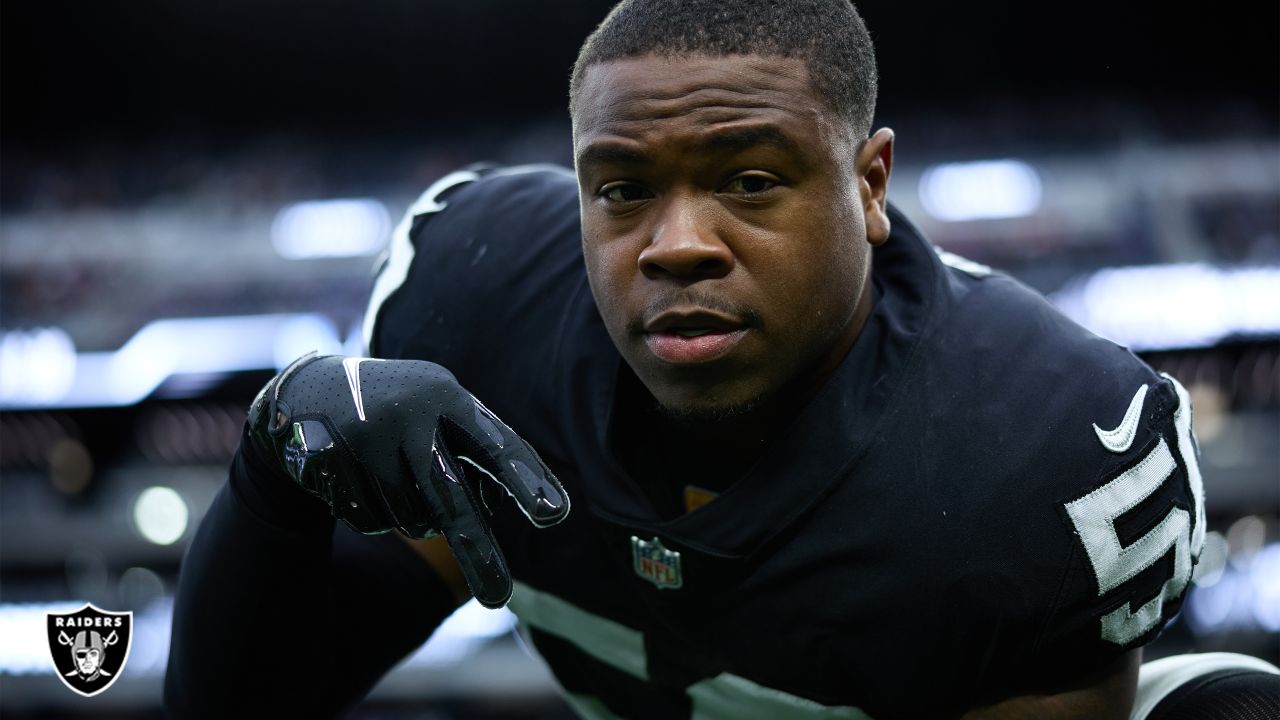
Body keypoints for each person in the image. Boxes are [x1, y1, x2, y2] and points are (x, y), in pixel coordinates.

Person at [164, 1, 1255, 717]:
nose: (676, 244)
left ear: (868, 186)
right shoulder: (485, 303)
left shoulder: (1035, 441)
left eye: (748, 181)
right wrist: (269, 470)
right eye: (623, 189)